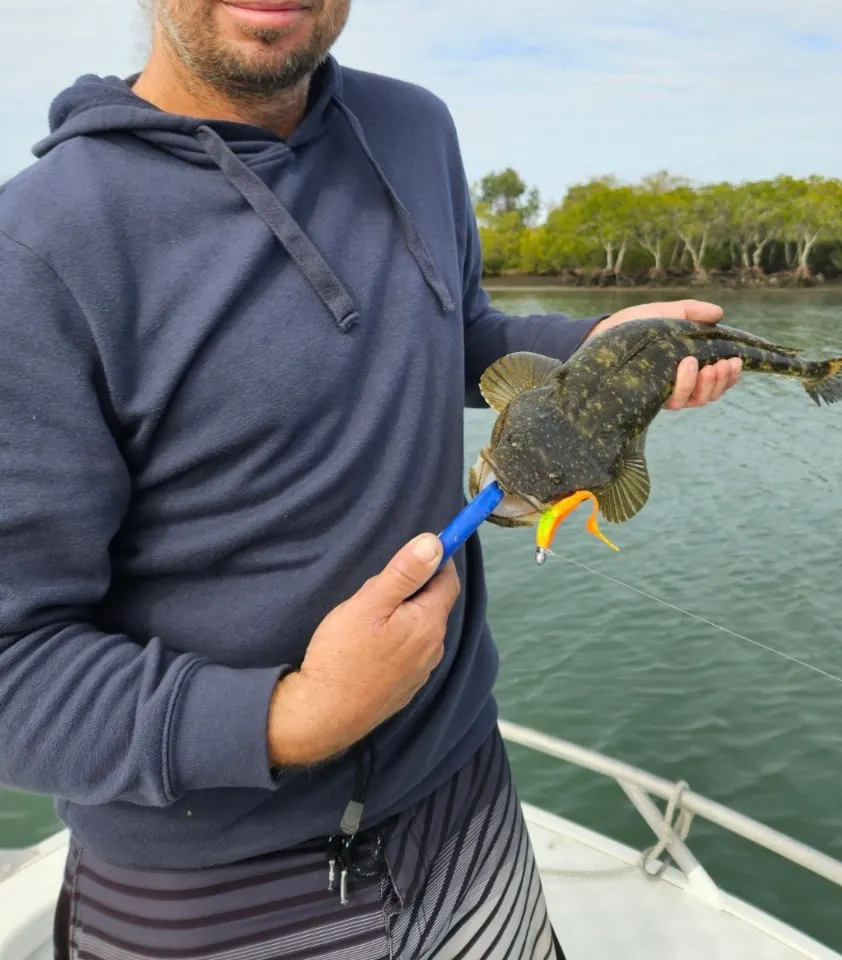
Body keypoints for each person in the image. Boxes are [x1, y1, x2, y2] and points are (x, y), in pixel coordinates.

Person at [0, 1, 741, 957]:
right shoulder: (34, 252)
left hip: (467, 794)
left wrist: (588, 353)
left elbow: (459, 332)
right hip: (207, 887)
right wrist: (290, 717)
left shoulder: (414, 128)